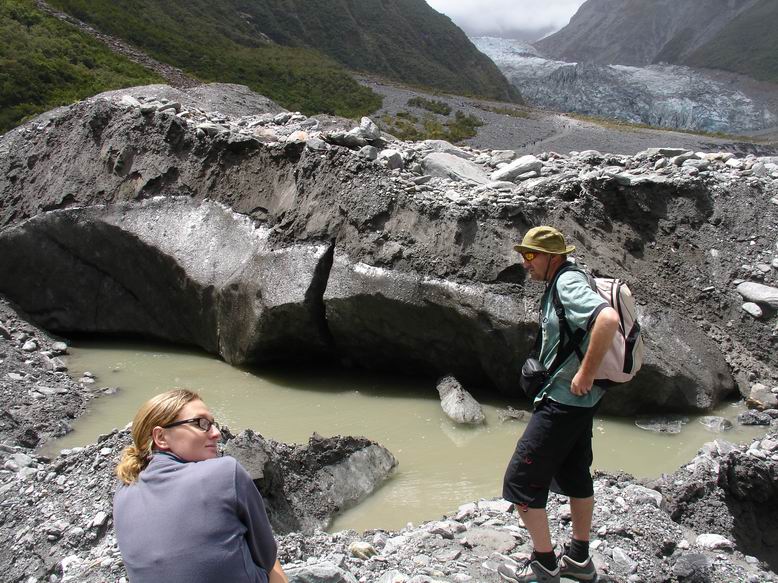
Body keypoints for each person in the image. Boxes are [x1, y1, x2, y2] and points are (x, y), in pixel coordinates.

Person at [499, 226, 619, 583]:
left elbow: (607, 320)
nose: (525, 263)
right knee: (575, 475)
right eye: (524, 255)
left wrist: (586, 372)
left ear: (553, 257)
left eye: (531, 256)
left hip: (564, 401)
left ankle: (544, 564)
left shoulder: (566, 282)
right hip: (579, 402)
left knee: (520, 482)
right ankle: (579, 561)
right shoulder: (564, 281)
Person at [113, 389, 288, 583]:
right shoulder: (226, 472)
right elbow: (266, 558)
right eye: (201, 423)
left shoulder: (123, 492)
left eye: (213, 424)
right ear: (161, 437)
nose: (216, 433)